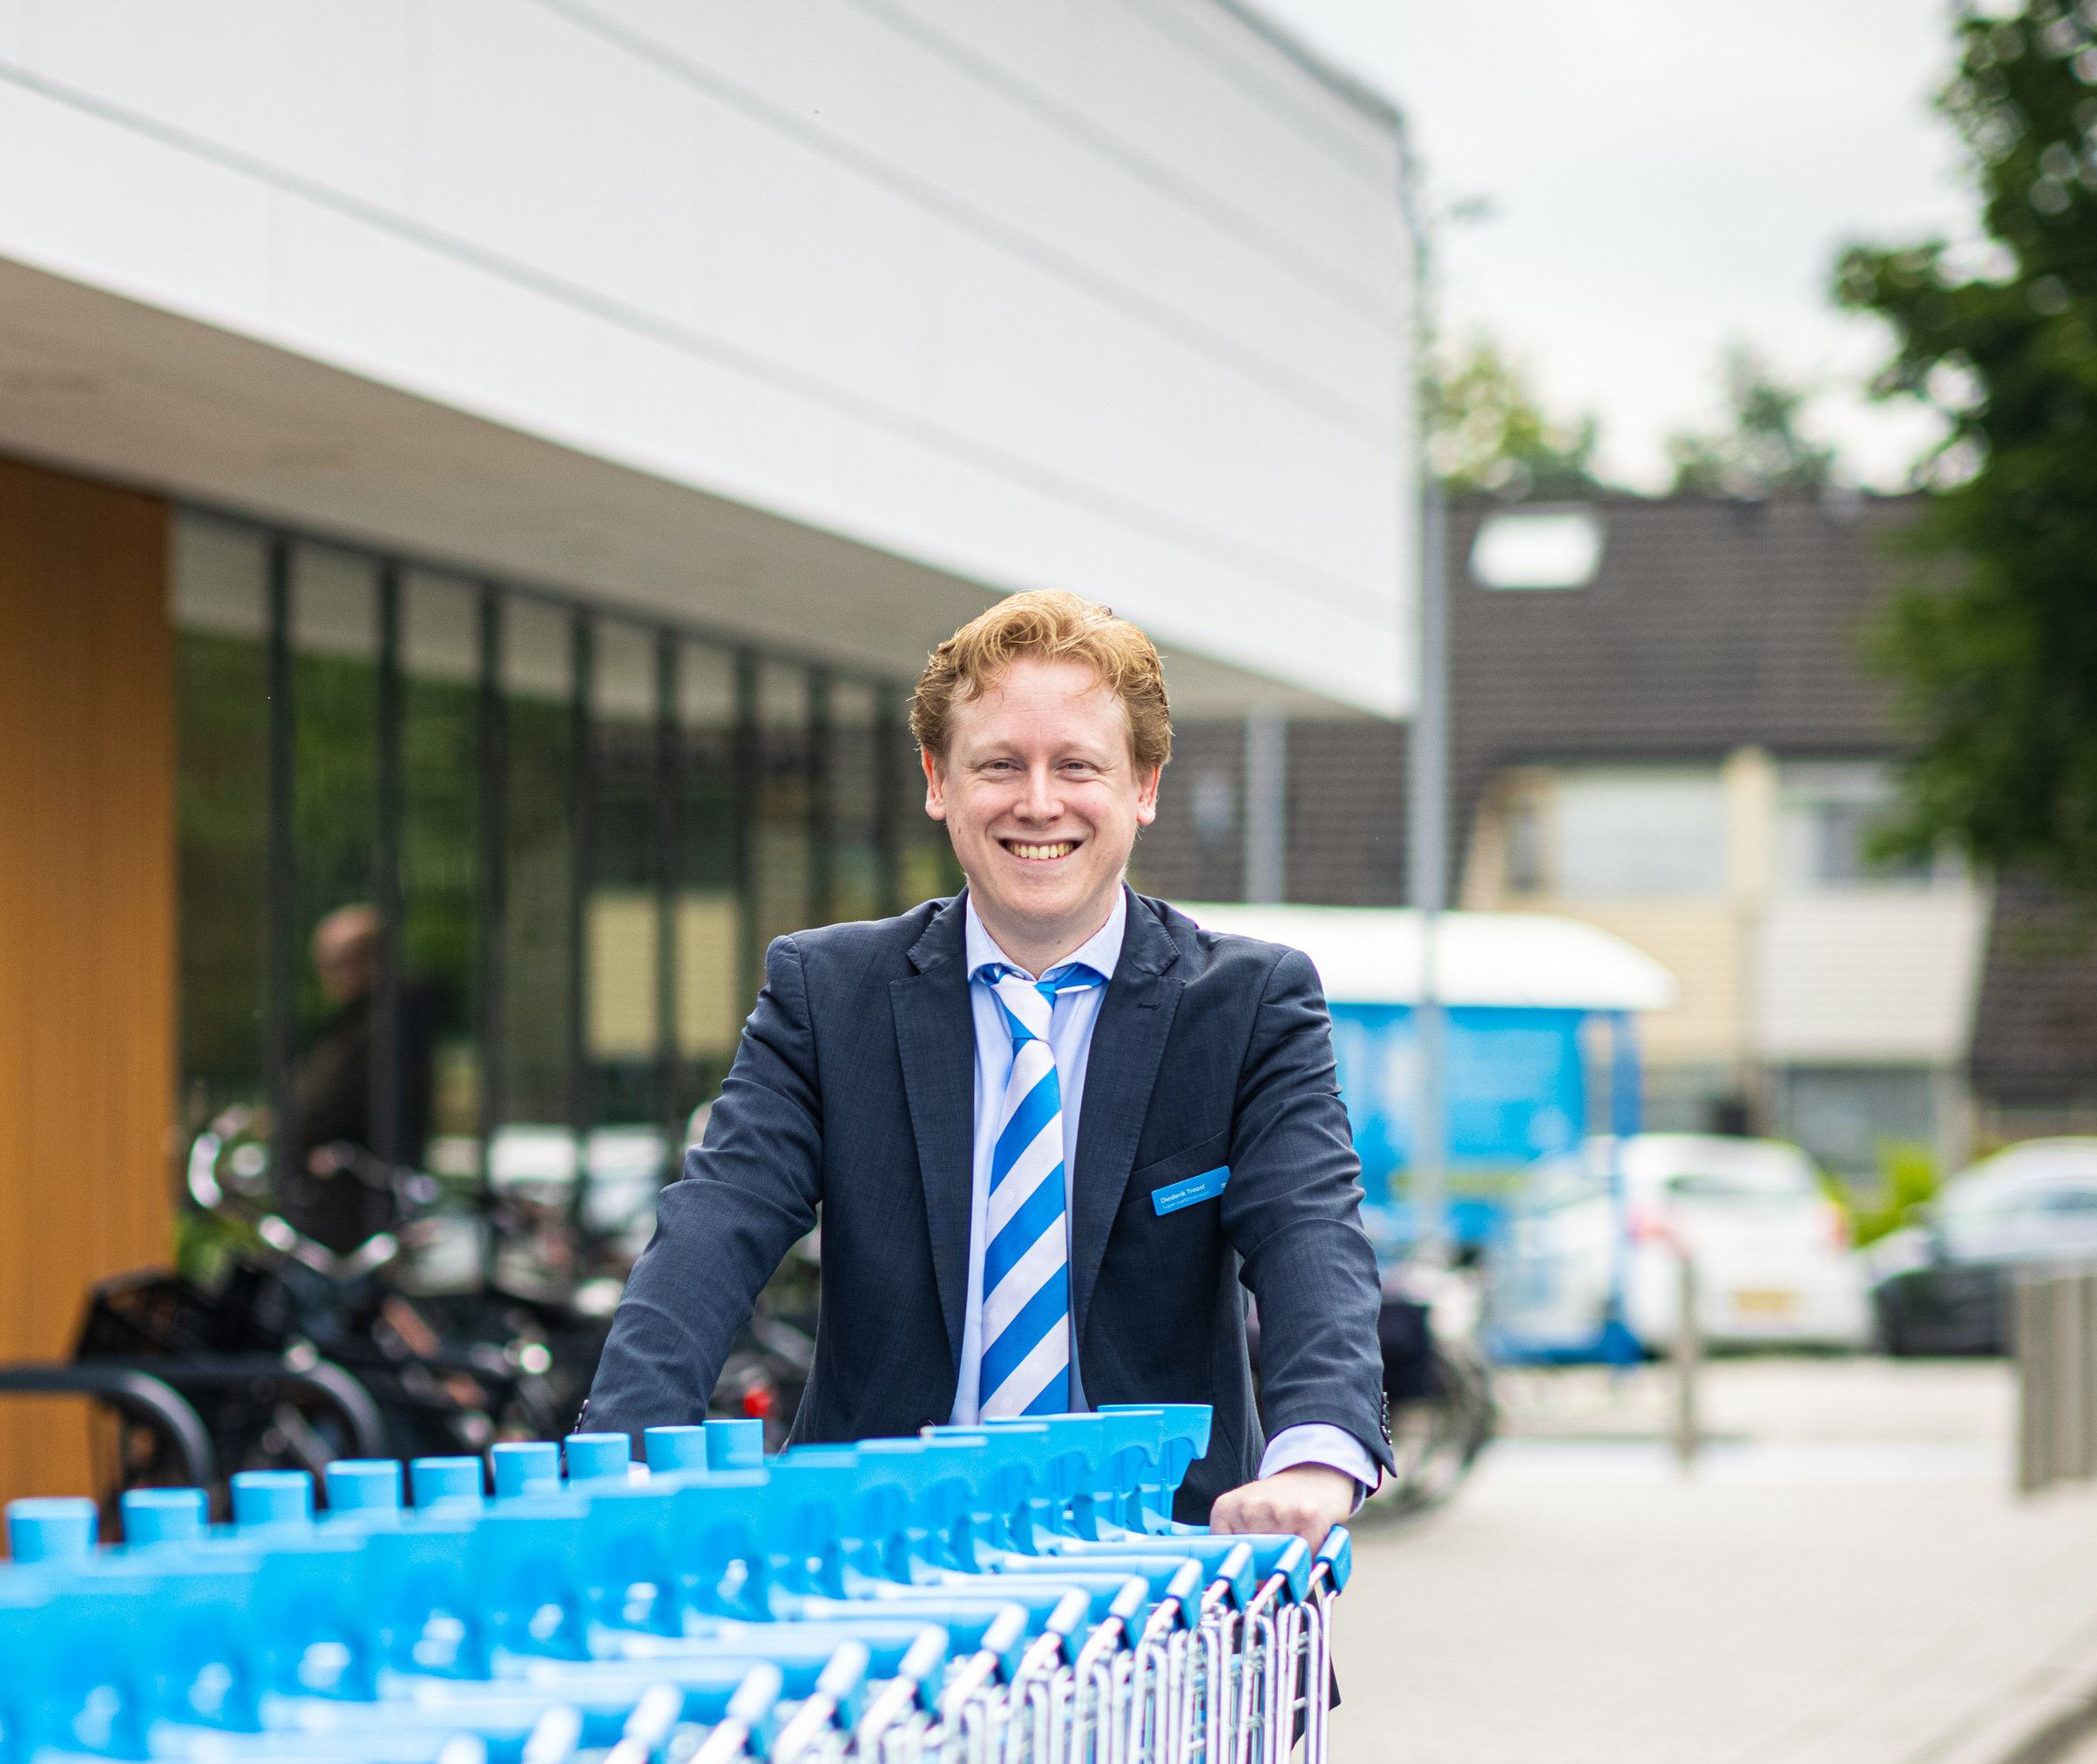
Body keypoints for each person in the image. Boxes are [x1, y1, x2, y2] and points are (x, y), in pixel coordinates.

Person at [575, 588, 1384, 1538]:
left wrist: (1318, 1451)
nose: (1036, 802)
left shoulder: (1249, 1005)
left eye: (1075, 765)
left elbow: (1310, 1238)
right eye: (998, 764)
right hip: (875, 1568)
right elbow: (714, 1226)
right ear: (936, 780)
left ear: (1143, 786)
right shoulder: (824, 993)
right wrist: (621, 1454)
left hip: (1165, 1571)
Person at [278, 903, 444, 1254]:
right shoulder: (365, 1021)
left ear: (370, 960)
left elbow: (336, 1100)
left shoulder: (390, 1021)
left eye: (335, 963)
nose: (327, 976)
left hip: (363, 1200)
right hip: (347, 1196)